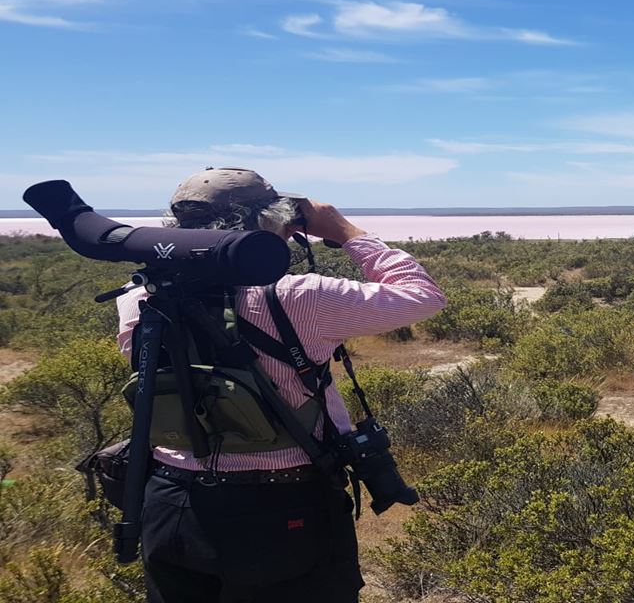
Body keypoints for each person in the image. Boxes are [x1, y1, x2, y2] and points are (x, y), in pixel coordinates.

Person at [115, 167, 447, 603]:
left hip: (170, 501)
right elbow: (423, 296)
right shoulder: (299, 296)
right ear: (269, 221)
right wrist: (345, 231)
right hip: (282, 510)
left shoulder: (138, 297)